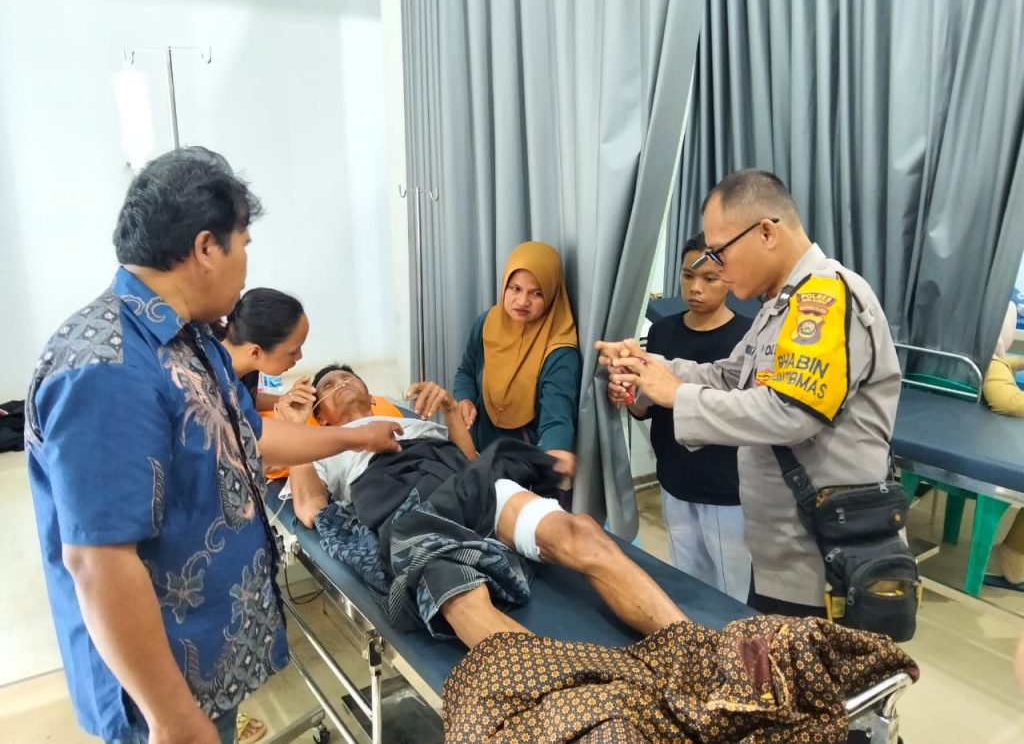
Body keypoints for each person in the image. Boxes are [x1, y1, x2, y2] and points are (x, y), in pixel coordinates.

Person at [25, 147, 403, 744]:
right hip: (164, 695)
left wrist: (353, 436)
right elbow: (100, 562)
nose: (247, 264)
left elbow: (248, 437)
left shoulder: (192, 340)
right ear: (206, 247)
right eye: (244, 244)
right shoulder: (107, 366)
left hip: (209, 661)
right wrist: (174, 720)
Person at [597, 169, 902, 617]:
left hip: (826, 560)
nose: (715, 268)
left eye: (719, 252)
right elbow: (728, 377)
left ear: (766, 233)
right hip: (783, 552)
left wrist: (677, 395)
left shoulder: (825, 299)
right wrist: (648, 367)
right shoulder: (779, 306)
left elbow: (791, 412)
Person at [283, 365, 687, 649]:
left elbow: (470, 459)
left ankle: (692, 648)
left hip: (465, 484)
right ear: (322, 416)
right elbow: (311, 508)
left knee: (580, 531)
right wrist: (297, 430)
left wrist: (449, 409)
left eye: (348, 378)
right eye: (329, 386)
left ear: (372, 396)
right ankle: (580, 709)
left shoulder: (415, 425)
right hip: (405, 509)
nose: (341, 384)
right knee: (460, 596)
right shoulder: (322, 448)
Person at [608, 233, 753, 601]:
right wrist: (628, 396)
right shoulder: (662, 332)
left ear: (729, 279)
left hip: (727, 488)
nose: (695, 288)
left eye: (709, 278)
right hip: (675, 479)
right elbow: (645, 406)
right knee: (688, 585)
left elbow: (747, 414)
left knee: (732, 594)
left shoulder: (746, 338)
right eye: (688, 276)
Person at [453, 241, 581, 479]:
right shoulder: (488, 322)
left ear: (552, 294)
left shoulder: (560, 350)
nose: (522, 301)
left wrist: (555, 450)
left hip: (524, 464)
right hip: (480, 451)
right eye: (515, 288)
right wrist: (465, 398)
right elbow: (466, 371)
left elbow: (557, 414)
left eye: (537, 293)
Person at [218, 286, 314, 413]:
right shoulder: (211, 382)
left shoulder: (245, 366)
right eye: (293, 352)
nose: (299, 357)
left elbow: (249, 399)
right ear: (255, 352)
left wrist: (289, 399)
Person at [983, 303, 1024, 588]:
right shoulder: (988, 357)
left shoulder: (985, 352)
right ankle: (1014, 557)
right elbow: (1007, 401)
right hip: (991, 441)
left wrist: (1019, 361)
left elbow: (999, 366)